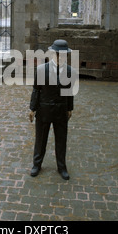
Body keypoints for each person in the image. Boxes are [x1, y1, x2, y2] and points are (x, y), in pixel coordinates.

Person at [28, 40, 76, 180]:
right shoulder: (42, 69)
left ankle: (62, 167)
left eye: (64, 55)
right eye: (59, 54)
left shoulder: (69, 71)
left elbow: (70, 92)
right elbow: (36, 90)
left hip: (61, 110)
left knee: (61, 139)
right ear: (53, 54)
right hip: (44, 110)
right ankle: (37, 164)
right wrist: (32, 108)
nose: (61, 57)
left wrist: (69, 108)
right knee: (41, 139)